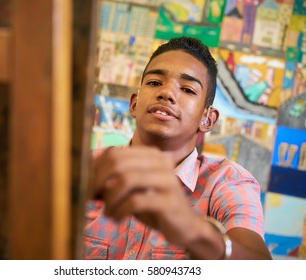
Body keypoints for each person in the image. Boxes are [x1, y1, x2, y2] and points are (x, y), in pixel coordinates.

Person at [84, 36, 272, 260]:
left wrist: (192, 229)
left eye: (188, 89)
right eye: (155, 83)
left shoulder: (229, 181)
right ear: (134, 103)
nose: (167, 93)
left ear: (207, 119)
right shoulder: (84, 168)